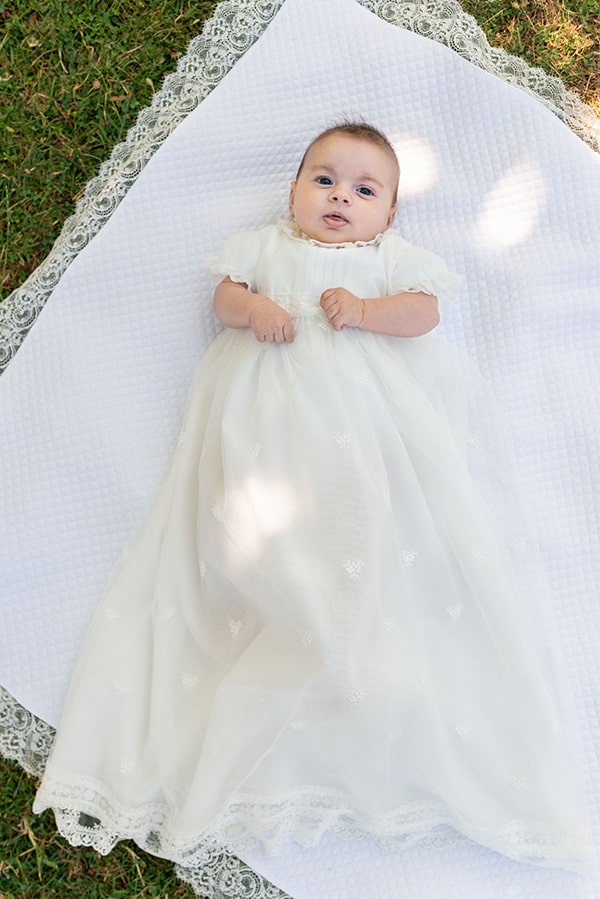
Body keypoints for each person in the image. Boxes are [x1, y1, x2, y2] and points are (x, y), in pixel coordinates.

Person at [33, 122, 592, 875]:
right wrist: (256, 310)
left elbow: (424, 313)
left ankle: (351, 659)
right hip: (264, 430)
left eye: (365, 189)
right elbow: (226, 297)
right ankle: (296, 634)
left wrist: (365, 310)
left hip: (360, 432)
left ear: (389, 214)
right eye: (323, 179)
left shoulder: (387, 260)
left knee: (364, 531)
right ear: (293, 190)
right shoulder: (266, 247)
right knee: (248, 541)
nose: (340, 197)